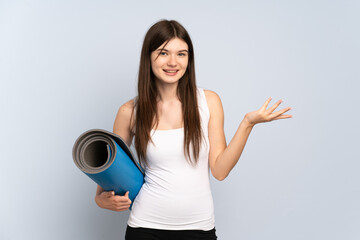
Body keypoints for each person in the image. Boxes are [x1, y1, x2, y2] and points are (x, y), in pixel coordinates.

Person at [94, 19, 292, 240]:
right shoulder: (129, 111)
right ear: (148, 57)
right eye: (163, 53)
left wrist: (247, 124)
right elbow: (107, 176)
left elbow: (220, 170)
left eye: (181, 54)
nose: (173, 62)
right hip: (145, 227)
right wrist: (101, 200)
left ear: (189, 59)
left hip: (199, 229)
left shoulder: (208, 101)